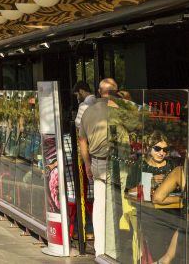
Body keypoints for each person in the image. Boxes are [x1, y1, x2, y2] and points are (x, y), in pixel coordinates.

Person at [78, 78, 119, 258]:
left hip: (96, 162)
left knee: (99, 206)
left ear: (100, 91)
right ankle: (115, 249)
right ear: (115, 92)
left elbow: (82, 140)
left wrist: (87, 163)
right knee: (116, 207)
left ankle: (100, 250)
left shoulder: (88, 112)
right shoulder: (118, 110)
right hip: (115, 163)